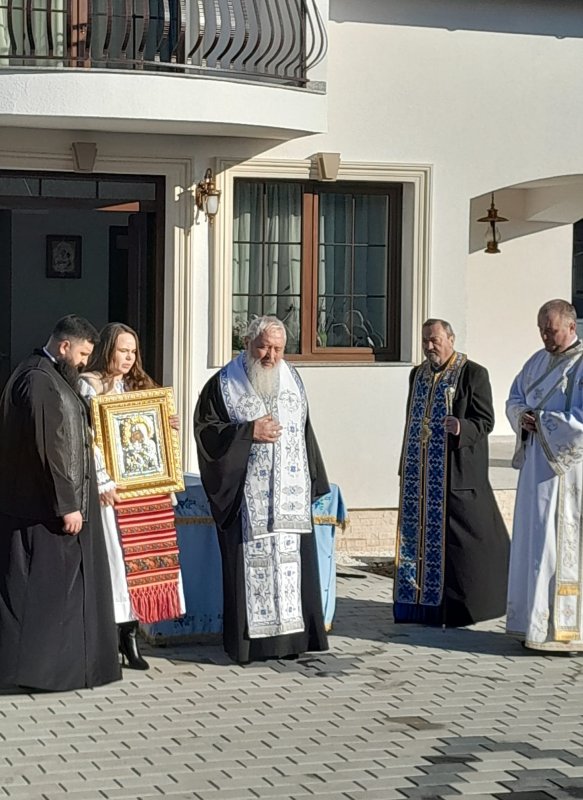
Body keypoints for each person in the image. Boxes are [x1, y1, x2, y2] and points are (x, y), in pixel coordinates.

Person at [194, 315, 329, 664]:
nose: (271, 356)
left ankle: (291, 642)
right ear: (247, 344)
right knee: (251, 571)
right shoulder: (224, 384)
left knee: (292, 567)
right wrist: (247, 433)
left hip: (289, 498)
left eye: (278, 349)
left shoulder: (292, 377)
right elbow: (207, 433)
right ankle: (251, 647)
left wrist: (314, 479)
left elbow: (304, 429)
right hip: (247, 500)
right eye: (264, 347)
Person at [0, 315, 121, 692]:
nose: (84, 363)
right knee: (40, 594)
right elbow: (48, 449)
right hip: (42, 511)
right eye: (82, 354)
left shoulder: (50, 376)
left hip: (48, 505)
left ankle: (63, 670)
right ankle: (36, 674)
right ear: (64, 346)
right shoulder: (39, 381)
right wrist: (67, 505)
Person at [80, 322, 185, 670]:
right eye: (122, 350)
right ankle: (112, 637)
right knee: (116, 563)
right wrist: (102, 479)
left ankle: (132, 635)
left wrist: (165, 425)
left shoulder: (138, 385)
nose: (128, 357)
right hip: (112, 490)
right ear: (107, 349)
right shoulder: (88, 385)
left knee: (140, 566)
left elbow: (150, 433)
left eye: (133, 351)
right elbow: (88, 438)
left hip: (144, 489)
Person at [394, 318, 510, 626]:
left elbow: (485, 420)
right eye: (425, 341)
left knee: (465, 545)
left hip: (456, 473)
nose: (429, 346)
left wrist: (462, 427)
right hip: (420, 475)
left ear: (451, 339)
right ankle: (420, 606)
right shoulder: (417, 375)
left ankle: (462, 609)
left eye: (435, 340)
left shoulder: (473, 373)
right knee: (417, 541)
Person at [506, 299, 583, 653]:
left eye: (550, 331)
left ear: (571, 327)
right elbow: (515, 397)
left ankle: (566, 630)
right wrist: (521, 414)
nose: (545, 337)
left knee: (560, 545)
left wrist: (544, 422)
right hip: (535, 471)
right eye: (541, 330)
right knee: (534, 544)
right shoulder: (536, 362)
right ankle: (532, 625)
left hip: (568, 475)